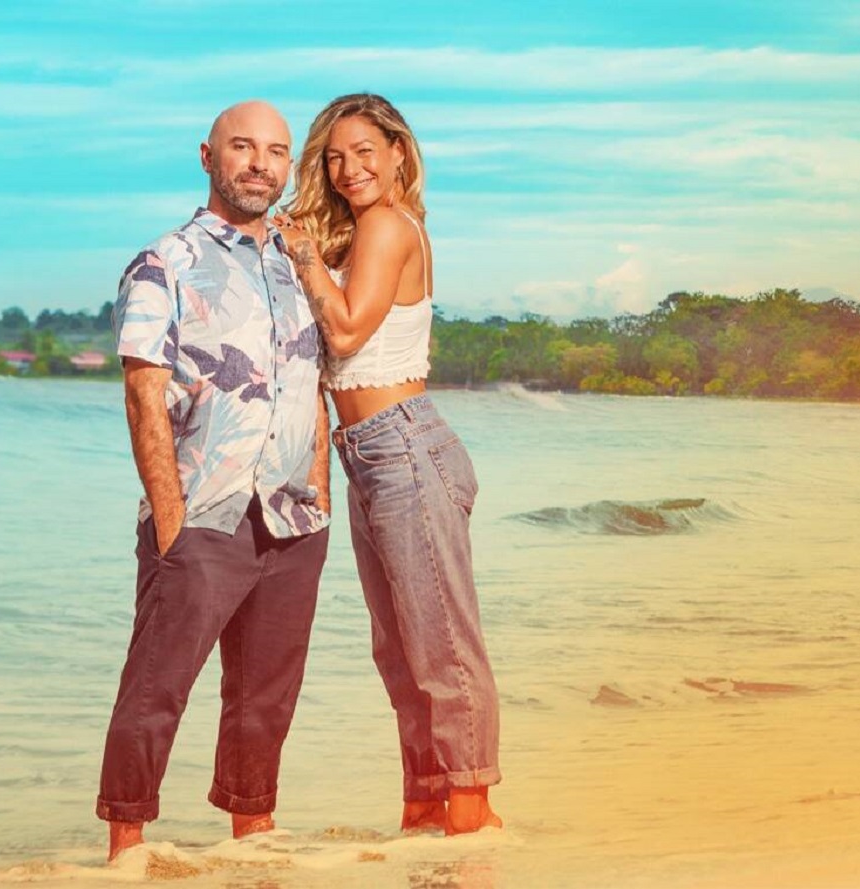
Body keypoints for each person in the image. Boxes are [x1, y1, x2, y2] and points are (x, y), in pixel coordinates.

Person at [97, 100, 331, 860]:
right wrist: (171, 521)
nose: (260, 162)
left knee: (265, 703)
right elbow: (142, 392)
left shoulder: (299, 270)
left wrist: (319, 495)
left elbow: (313, 384)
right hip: (202, 514)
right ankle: (126, 850)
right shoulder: (164, 262)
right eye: (243, 146)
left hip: (292, 523)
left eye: (276, 150)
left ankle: (251, 848)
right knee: (156, 691)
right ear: (207, 156)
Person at [275, 93, 501, 835]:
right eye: (334, 157)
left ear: (399, 151)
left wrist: (303, 251)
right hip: (370, 452)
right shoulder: (374, 229)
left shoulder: (386, 225)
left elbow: (343, 332)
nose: (347, 169)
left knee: (438, 645)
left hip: (404, 445)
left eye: (364, 150)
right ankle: (425, 810)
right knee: (399, 649)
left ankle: (471, 818)